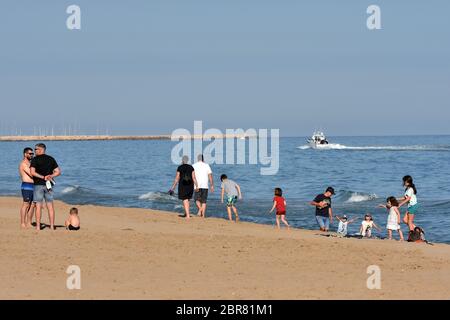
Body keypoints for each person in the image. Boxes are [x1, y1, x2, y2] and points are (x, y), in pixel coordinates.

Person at [30, 143, 61, 231]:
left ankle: (38, 227)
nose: (34, 151)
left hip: (38, 184)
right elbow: (58, 172)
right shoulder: (51, 159)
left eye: (36, 149)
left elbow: (32, 172)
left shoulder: (35, 159)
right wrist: (50, 176)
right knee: (50, 206)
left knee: (38, 206)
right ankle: (51, 226)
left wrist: (43, 177)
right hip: (49, 185)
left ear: (41, 149)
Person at [18, 147, 36, 228]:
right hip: (27, 185)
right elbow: (32, 174)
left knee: (32, 204)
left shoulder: (31, 163)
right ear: (25, 154)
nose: (32, 155)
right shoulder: (23, 163)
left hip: (34, 186)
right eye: (30, 153)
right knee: (26, 204)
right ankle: (22, 223)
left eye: (32, 153)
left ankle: (29, 222)